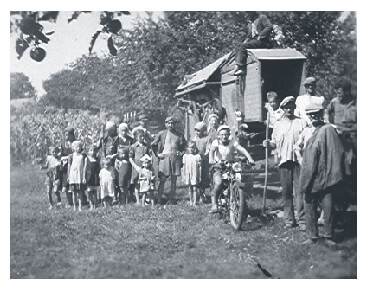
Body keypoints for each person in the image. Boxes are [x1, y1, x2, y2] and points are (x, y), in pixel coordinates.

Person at [299, 103, 345, 245]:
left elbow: (336, 154)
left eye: (315, 114)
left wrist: (305, 181)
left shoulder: (327, 130)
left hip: (320, 176)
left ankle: (327, 236)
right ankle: (312, 236)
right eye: (310, 114)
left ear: (321, 114)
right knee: (312, 206)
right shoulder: (316, 131)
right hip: (322, 175)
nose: (312, 116)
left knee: (326, 206)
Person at [263, 96, 307, 228]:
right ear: (282, 109)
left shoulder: (302, 122)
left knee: (300, 190)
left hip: (298, 161)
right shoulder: (278, 125)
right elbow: (274, 143)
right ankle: (289, 219)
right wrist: (268, 144)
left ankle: (303, 219)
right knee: (287, 191)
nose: (289, 109)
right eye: (286, 107)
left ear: (294, 108)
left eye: (291, 107)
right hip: (284, 161)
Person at [325, 79, 357, 209]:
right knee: (337, 166)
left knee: (351, 166)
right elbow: (327, 112)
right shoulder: (334, 102)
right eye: (337, 93)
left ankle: (351, 197)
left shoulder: (355, 104)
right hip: (337, 138)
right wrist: (327, 121)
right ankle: (338, 198)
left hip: (352, 139)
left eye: (341, 94)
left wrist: (349, 130)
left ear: (348, 92)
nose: (339, 96)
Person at [209, 125, 255, 213]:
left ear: (229, 135)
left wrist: (249, 158)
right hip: (219, 166)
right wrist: (211, 159)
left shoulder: (232, 142)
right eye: (222, 135)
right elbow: (212, 151)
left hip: (231, 165)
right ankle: (214, 203)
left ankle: (241, 201)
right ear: (218, 135)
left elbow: (242, 149)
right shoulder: (216, 143)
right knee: (219, 183)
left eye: (226, 134)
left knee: (239, 179)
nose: (224, 136)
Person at [151, 116, 187, 205]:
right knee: (162, 179)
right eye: (168, 123)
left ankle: (171, 199)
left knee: (174, 180)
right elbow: (153, 144)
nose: (170, 125)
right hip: (165, 158)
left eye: (172, 123)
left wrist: (181, 153)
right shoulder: (161, 134)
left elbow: (184, 147)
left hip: (175, 158)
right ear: (165, 124)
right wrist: (157, 154)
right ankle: (159, 199)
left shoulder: (179, 134)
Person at [234, 12, 273, 76]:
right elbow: (250, 36)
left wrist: (261, 35)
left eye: (248, 13)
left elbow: (269, 26)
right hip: (253, 41)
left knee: (244, 46)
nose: (247, 15)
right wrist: (245, 41)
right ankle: (239, 67)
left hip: (263, 41)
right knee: (238, 46)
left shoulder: (261, 17)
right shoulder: (250, 23)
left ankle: (239, 67)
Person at [129, 129, 151, 205]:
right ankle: (138, 201)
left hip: (145, 167)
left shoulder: (146, 146)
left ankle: (143, 200)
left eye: (143, 136)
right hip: (137, 168)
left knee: (144, 183)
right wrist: (135, 167)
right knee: (137, 184)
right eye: (140, 136)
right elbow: (130, 158)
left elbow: (148, 155)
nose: (142, 138)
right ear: (136, 137)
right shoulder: (133, 146)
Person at [192, 122, 211, 202]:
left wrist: (204, 155)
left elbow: (208, 149)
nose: (197, 133)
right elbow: (191, 147)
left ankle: (202, 195)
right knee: (196, 177)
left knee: (203, 177)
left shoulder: (207, 138)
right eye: (196, 131)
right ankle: (195, 195)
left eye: (199, 131)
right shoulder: (195, 138)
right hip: (195, 159)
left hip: (204, 160)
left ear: (203, 131)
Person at [67, 141, 87, 212]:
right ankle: (75, 206)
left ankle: (80, 207)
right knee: (74, 192)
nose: (78, 148)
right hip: (73, 176)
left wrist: (84, 177)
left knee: (80, 192)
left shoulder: (83, 156)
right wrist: (68, 176)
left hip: (80, 176)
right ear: (73, 148)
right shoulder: (71, 156)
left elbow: (84, 167)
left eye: (79, 147)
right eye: (76, 147)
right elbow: (69, 166)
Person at [60, 127, 76, 208]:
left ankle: (76, 200)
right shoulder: (63, 145)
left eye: (67, 135)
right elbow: (61, 156)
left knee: (74, 184)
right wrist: (66, 158)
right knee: (66, 183)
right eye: (65, 135)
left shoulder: (76, 144)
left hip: (74, 166)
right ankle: (69, 202)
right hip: (66, 167)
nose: (66, 136)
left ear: (72, 135)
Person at [182, 141, 202, 206]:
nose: (191, 149)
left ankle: (195, 202)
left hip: (195, 174)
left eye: (193, 147)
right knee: (190, 188)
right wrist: (184, 175)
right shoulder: (185, 156)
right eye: (190, 148)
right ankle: (191, 200)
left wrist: (199, 176)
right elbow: (184, 167)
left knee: (194, 188)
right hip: (188, 174)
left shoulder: (197, 156)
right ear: (187, 148)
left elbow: (199, 167)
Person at [86, 145, 101, 210]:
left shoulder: (97, 159)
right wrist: (84, 178)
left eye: (94, 150)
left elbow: (99, 168)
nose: (92, 152)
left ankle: (95, 204)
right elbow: (84, 168)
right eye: (91, 150)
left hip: (95, 177)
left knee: (95, 192)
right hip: (89, 177)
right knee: (89, 192)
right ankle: (91, 205)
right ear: (88, 151)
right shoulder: (87, 159)